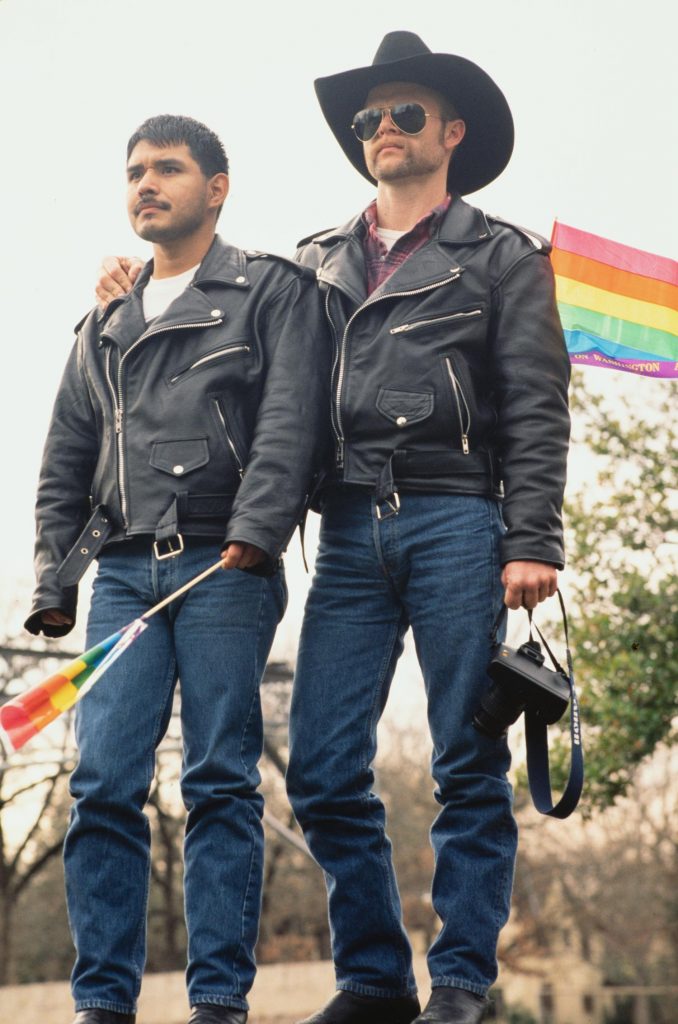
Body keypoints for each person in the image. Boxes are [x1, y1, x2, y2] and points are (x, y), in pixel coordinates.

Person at [95, 31, 570, 1024]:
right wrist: (133, 295)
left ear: (451, 131)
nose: (383, 130)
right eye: (369, 120)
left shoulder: (506, 255)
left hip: (460, 520)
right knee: (317, 769)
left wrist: (534, 538)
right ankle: (375, 977)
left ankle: (464, 983)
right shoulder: (308, 263)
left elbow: (535, 405)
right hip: (346, 531)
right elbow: (223, 339)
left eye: (404, 114)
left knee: (462, 760)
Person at [26, 114, 328, 1024]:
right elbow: (63, 462)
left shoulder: (269, 292)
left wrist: (258, 531)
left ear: (218, 187)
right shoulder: (103, 322)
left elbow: (289, 422)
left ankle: (218, 1004)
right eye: (133, 172)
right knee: (102, 785)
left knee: (219, 781)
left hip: (223, 567)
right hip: (120, 576)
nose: (145, 183)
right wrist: (52, 580)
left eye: (167, 168)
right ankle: (102, 1005)